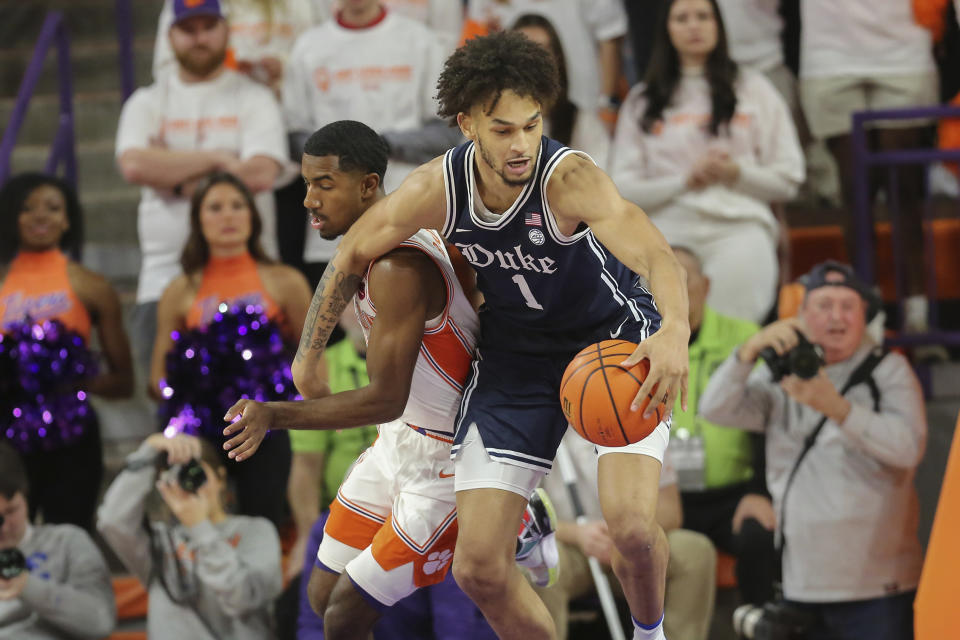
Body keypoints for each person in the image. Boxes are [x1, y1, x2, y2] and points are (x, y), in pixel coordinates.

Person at [273, 32, 692, 640]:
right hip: (516, 359)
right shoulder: (436, 187)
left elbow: (657, 255)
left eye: (531, 124)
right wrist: (307, 356)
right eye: (503, 130)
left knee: (630, 527)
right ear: (467, 124)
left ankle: (650, 634)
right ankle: (526, 513)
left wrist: (674, 330)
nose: (522, 143)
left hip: (610, 343)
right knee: (477, 571)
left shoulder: (568, 178)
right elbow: (349, 255)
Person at [699, 260, 926, 640]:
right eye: (823, 305)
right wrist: (748, 350)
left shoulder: (887, 369)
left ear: (864, 317)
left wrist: (835, 407)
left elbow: (909, 448)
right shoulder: (785, 373)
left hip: (877, 587)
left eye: (847, 306)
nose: (836, 316)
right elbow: (715, 409)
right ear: (802, 316)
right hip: (800, 585)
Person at [116, 0, 288, 384]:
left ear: (226, 30)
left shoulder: (254, 97)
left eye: (208, 27)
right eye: (188, 29)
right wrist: (220, 158)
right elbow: (133, 165)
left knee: (263, 408)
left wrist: (172, 172)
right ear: (170, 35)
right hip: (163, 277)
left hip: (251, 280)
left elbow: (261, 172)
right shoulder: (146, 101)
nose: (199, 38)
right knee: (169, 417)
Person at [610, 0, 804, 324]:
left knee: (733, 334)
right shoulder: (643, 99)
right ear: (667, 29)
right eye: (682, 18)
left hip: (739, 226)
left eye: (703, 16)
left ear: (718, 25)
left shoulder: (755, 89)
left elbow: (790, 178)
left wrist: (734, 173)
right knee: (663, 332)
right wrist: (685, 181)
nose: (694, 26)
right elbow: (621, 189)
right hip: (665, 230)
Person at [148, 172, 311, 525]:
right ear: (197, 220)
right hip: (200, 434)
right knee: (199, 524)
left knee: (264, 522)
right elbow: (158, 376)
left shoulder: (286, 281)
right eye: (215, 208)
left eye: (238, 206)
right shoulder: (180, 290)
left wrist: (305, 414)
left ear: (253, 216)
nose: (228, 216)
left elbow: (311, 359)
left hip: (266, 426)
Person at [281, 0, 460, 287]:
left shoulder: (419, 40)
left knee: (412, 324)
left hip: (410, 220)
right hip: (330, 231)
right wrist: (340, 157)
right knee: (341, 329)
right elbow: (294, 137)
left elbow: (446, 133)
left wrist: (377, 145)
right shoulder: (308, 47)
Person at [0, 172, 134, 532]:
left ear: (67, 219)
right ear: (11, 215)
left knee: (72, 539)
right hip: (6, 442)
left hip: (72, 439)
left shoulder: (91, 285)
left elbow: (124, 382)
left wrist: (72, 380)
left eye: (53, 208)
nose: (41, 216)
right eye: (27, 208)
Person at [799, 0, 939, 333]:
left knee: (904, 186)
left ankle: (919, 317)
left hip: (904, 52)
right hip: (829, 56)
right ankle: (866, 315)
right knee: (855, 189)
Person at [669, 246, 777, 606]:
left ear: (707, 285)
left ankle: (760, 624)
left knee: (759, 537)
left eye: (685, 280)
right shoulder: (631, 343)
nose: (675, 291)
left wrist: (760, 489)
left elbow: (771, 419)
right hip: (663, 498)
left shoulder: (745, 338)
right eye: (663, 281)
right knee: (633, 549)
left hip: (735, 493)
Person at [97, 431, 283, 639]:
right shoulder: (160, 541)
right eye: (176, 475)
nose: (187, 484)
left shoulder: (256, 531)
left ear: (220, 478)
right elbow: (112, 520)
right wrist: (147, 453)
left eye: (195, 473)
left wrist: (200, 528)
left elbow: (243, 601)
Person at [536, 431, 717, 640]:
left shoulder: (642, 422)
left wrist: (626, 533)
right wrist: (577, 534)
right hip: (570, 547)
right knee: (538, 561)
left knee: (695, 552)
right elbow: (524, 514)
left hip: (634, 544)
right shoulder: (543, 420)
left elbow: (670, 511)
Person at [286, 307, 379, 579]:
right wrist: (307, 534)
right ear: (336, 312)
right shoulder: (320, 369)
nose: (363, 309)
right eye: (352, 301)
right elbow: (306, 464)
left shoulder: (418, 360)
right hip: (340, 514)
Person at [0, 442, 116, 639]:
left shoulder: (67, 541)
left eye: (11, 511)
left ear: (26, 498)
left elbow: (101, 620)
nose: (4, 526)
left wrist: (28, 586)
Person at [465, 0, 628, 132]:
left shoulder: (587, 123)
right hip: (507, 107)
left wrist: (608, 105)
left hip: (583, 104)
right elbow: (474, 48)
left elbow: (610, 38)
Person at [152, 0, 325, 92]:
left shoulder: (306, 3)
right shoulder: (185, 4)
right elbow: (165, 69)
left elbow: (328, 54)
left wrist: (285, 68)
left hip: (289, 118)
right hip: (213, 117)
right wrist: (221, 69)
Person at [511, 13, 612, 168]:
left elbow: (601, 177)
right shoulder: (487, 122)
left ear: (556, 60)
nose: (533, 59)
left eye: (543, 50)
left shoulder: (580, 121)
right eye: (524, 50)